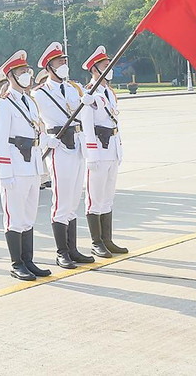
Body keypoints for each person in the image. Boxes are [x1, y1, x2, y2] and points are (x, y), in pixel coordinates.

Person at [32, 42, 95, 269]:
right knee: (61, 199)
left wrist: (88, 102)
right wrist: (42, 141)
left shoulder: (73, 88)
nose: (64, 65)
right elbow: (32, 120)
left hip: (76, 145)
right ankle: (61, 252)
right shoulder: (39, 93)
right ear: (49, 67)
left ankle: (73, 249)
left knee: (73, 198)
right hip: (58, 146)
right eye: (60, 62)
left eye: (65, 61)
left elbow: (86, 109)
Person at [0, 51, 50, 281]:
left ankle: (28, 260)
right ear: (11, 76)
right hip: (15, 168)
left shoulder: (30, 102)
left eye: (27, 71)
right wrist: (4, 172)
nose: (27, 75)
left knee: (28, 216)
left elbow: (37, 131)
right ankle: (17, 263)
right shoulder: (4, 104)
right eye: (21, 72)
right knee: (14, 217)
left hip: (32, 166)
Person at [81, 45, 128, 256]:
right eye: (105, 66)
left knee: (108, 196)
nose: (109, 68)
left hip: (112, 150)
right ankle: (96, 241)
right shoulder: (88, 92)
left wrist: (119, 149)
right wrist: (91, 154)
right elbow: (87, 126)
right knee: (95, 197)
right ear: (94, 70)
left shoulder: (108, 92)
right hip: (98, 151)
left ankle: (107, 239)